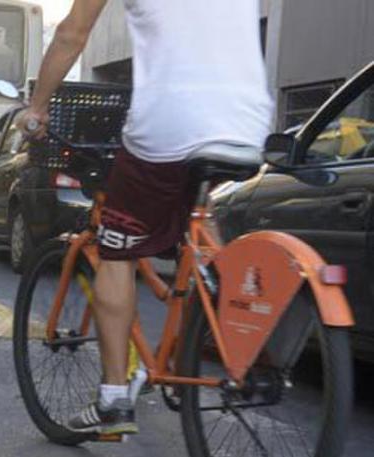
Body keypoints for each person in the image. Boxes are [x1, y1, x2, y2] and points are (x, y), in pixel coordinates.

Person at [18, 0, 273, 434]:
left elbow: (71, 34)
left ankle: (114, 398)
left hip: (170, 123)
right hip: (246, 122)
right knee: (197, 221)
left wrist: (37, 108)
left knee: (116, 251)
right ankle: (198, 325)